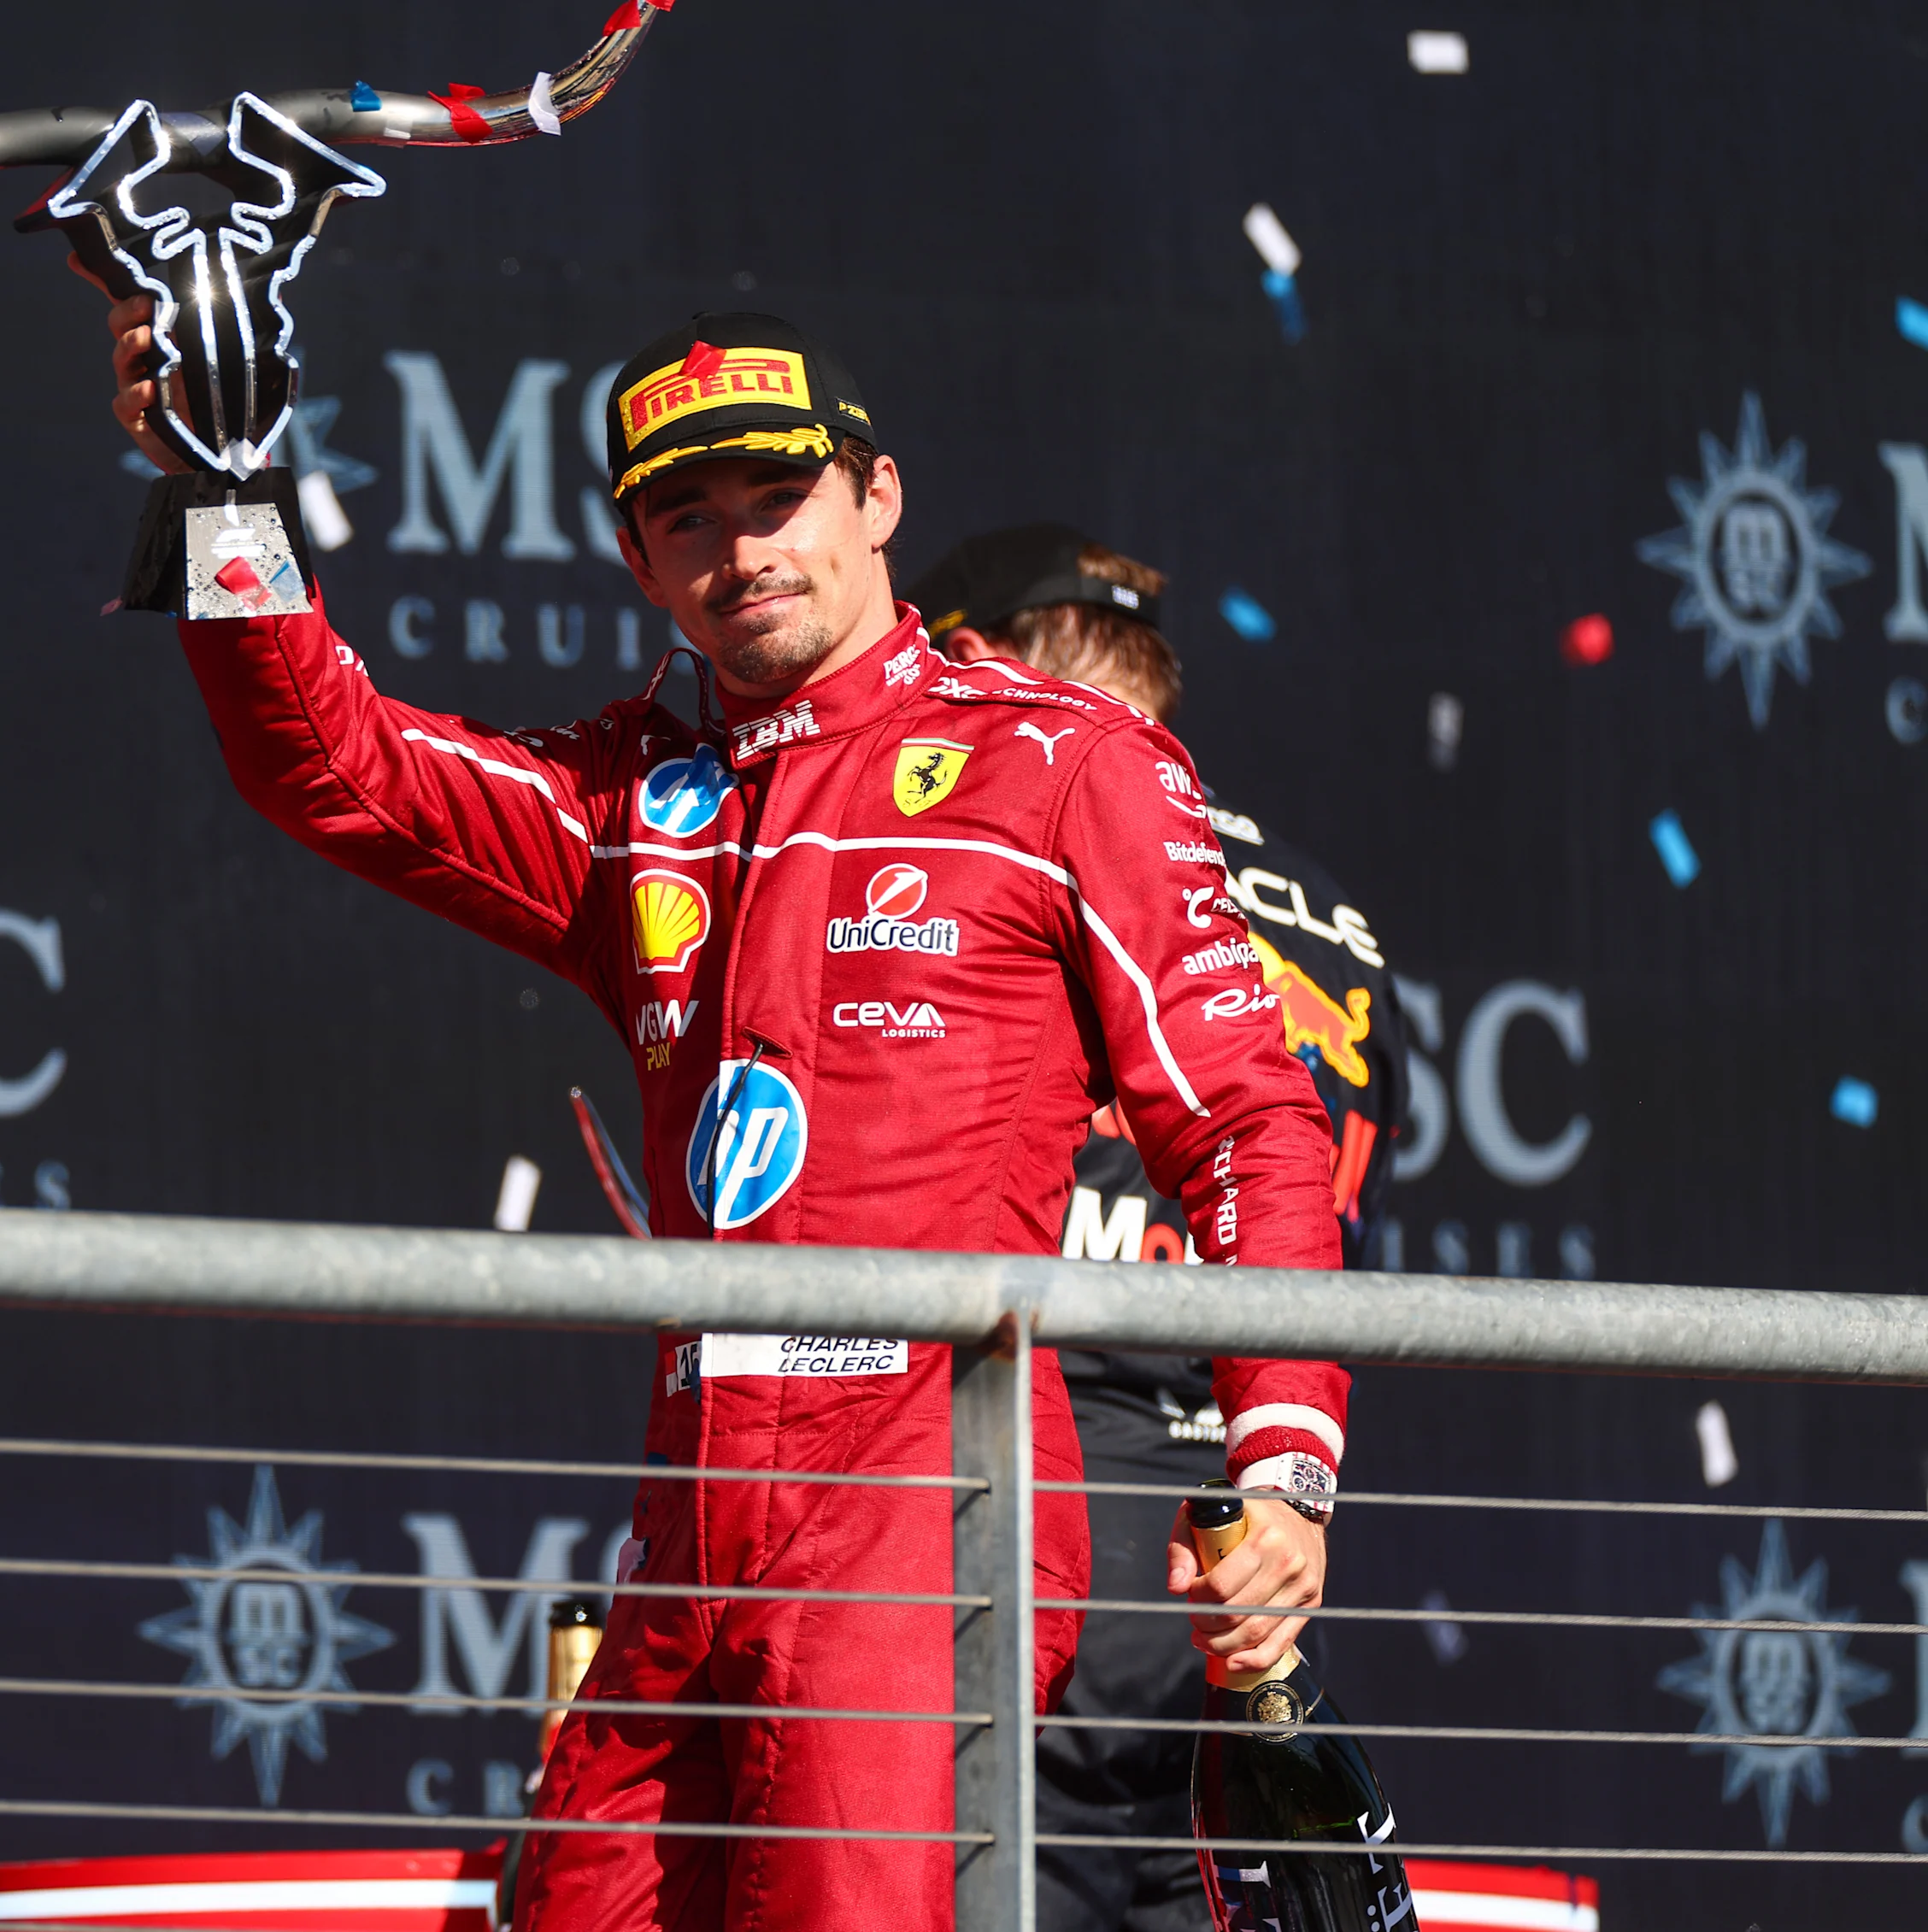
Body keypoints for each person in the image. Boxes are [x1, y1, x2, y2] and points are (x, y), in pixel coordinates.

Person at [104, 305, 1349, 1930]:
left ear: (879, 497)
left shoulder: (1063, 765)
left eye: (779, 497)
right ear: (637, 555)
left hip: (930, 1499)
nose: (741, 547)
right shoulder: (631, 798)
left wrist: (1287, 1455)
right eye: (688, 514)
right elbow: (329, 764)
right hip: (694, 1517)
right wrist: (223, 478)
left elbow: (1246, 1115)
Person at [911, 525, 1397, 1932]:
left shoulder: (987, 870)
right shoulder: (1340, 922)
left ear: (981, 662)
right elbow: (1323, 1212)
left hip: (1023, 1535)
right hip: (1247, 1565)